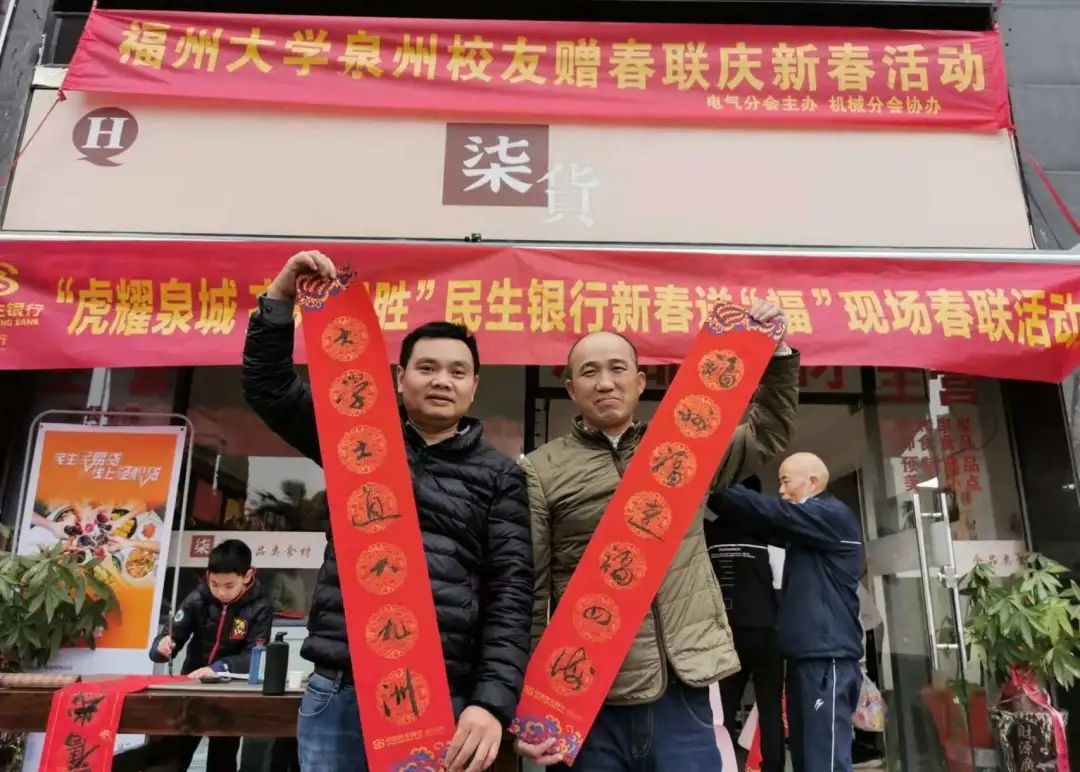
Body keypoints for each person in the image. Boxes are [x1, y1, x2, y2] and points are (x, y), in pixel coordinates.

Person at [242, 250, 533, 772]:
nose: (442, 380)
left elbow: (510, 594)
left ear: (473, 387)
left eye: (457, 371)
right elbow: (271, 389)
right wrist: (281, 300)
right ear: (400, 378)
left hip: (440, 698)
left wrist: (491, 702)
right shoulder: (354, 435)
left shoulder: (499, 475)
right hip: (340, 689)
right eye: (427, 368)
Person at [517, 305, 800, 771]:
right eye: (589, 372)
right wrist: (532, 701)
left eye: (617, 369)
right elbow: (532, 589)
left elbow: (766, 433)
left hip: (683, 686)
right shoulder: (541, 470)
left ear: (640, 381)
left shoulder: (686, 447)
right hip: (590, 699)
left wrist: (778, 355)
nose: (605, 383)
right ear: (570, 389)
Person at [708, 453, 864, 772]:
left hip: (827, 658)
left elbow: (769, 512)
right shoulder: (807, 531)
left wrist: (706, 478)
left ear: (812, 482)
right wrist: (708, 493)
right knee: (806, 758)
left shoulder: (831, 515)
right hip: (805, 657)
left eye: (785, 481)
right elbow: (760, 521)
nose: (780, 490)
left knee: (824, 761)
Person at [147, 538, 273, 772]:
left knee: (222, 758)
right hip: (192, 686)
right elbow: (169, 638)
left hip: (232, 691)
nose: (221, 592)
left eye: (229, 585)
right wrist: (161, 647)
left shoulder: (260, 607)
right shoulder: (197, 599)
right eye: (214, 584)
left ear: (247, 575)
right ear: (208, 575)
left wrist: (219, 668)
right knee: (175, 754)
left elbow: (254, 656)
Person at [705, 475, 786, 772]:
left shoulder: (708, 533)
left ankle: (723, 765)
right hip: (767, 630)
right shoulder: (770, 532)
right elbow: (781, 583)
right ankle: (773, 766)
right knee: (770, 704)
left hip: (725, 632)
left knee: (723, 706)